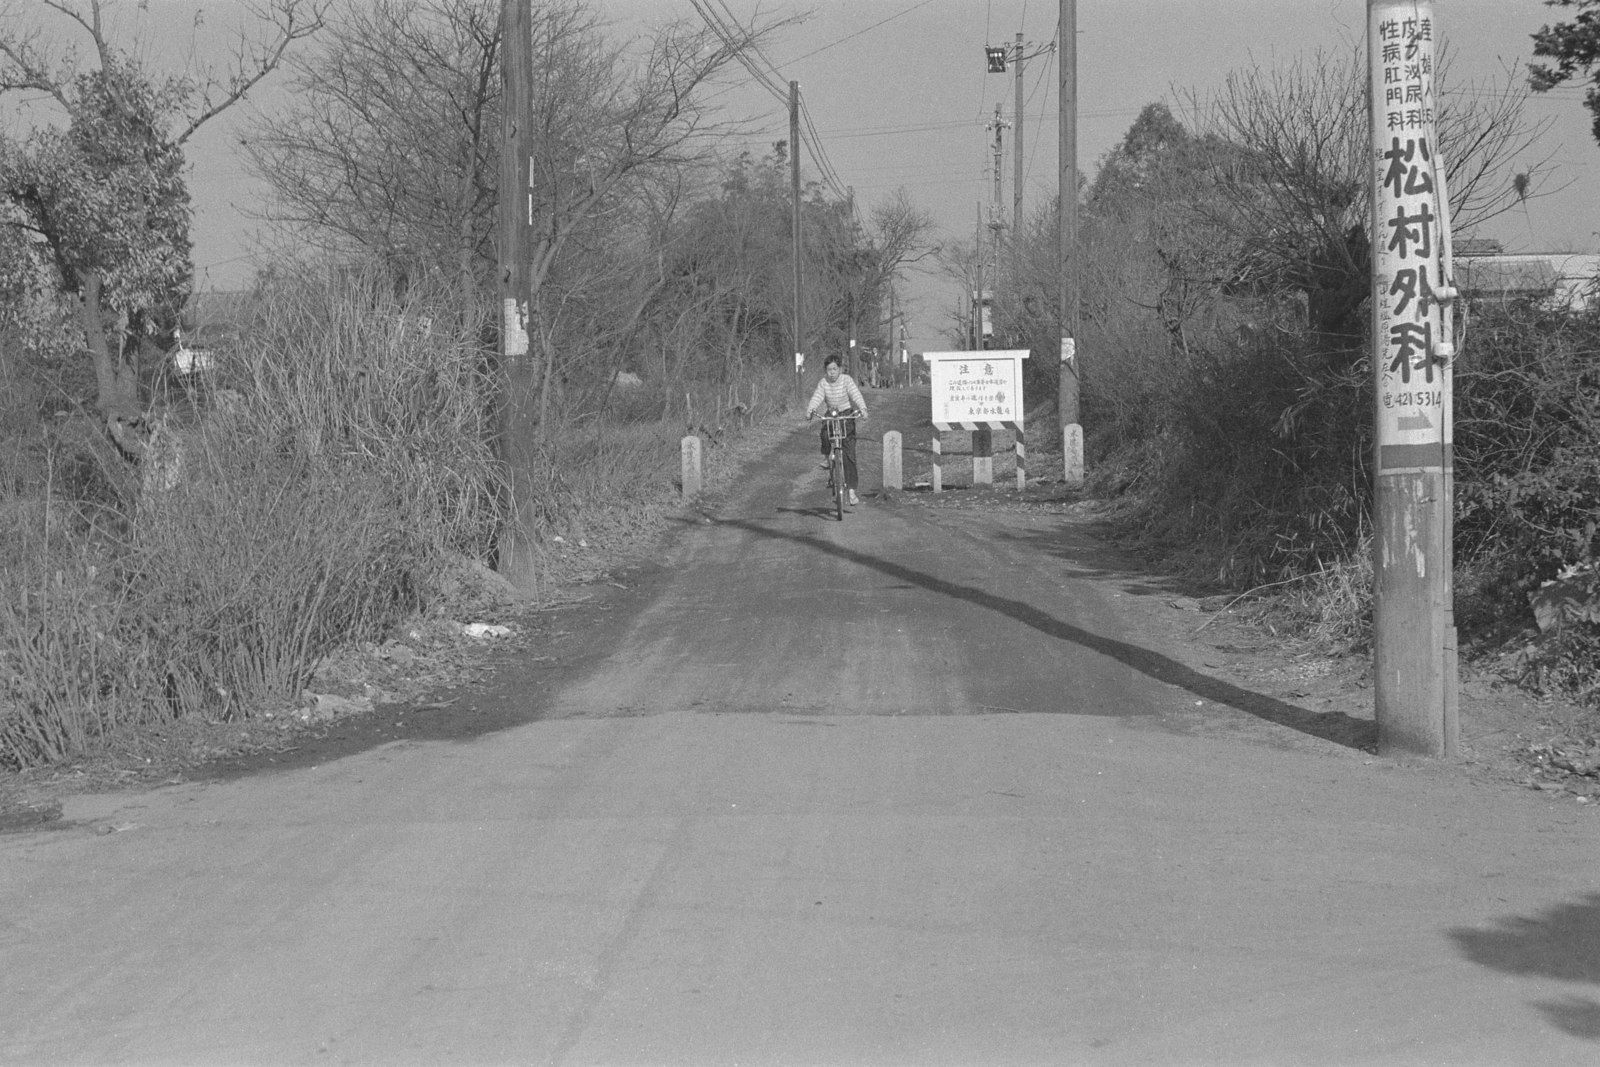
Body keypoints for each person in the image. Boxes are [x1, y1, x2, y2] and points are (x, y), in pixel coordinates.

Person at [805, 354, 868, 506]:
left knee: (849, 454)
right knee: (825, 434)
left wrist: (863, 408)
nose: (831, 372)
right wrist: (810, 410)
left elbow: (855, 394)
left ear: (840, 369)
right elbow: (817, 397)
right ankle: (827, 458)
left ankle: (851, 491)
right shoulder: (823, 383)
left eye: (834, 369)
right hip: (831, 413)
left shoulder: (847, 380)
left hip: (846, 414)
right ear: (825, 371)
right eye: (828, 370)